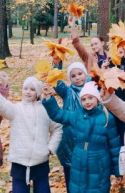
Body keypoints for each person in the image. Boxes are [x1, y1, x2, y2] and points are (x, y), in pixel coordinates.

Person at [0, 73, 62, 193]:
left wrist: (51, 147)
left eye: (32, 89)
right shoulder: (16, 109)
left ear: (38, 92)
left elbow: (58, 128)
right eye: (25, 88)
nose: (28, 92)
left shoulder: (45, 110)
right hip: (19, 162)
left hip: (40, 161)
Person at [42, 81, 121, 193]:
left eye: (90, 98)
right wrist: (49, 97)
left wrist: (118, 170)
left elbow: (114, 145)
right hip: (78, 160)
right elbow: (58, 114)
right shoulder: (77, 116)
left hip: (99, 163)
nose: (87, 102)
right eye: (83, 99)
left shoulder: (107, 118)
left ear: (97, 98)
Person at [52, 62, 90, 191]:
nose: (77, 78)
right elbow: (56, 81)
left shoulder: (93, 89)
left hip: (88, 140)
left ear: (85, 74)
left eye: (80, 74)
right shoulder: (67, 91)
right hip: (69, 142)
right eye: (73, 76)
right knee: (71, 177)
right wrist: (56, 65)